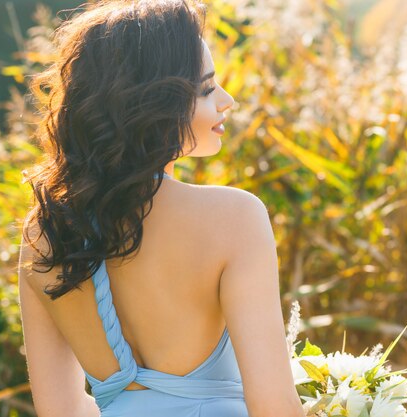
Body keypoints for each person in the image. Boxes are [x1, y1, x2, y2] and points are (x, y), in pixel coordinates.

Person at [17, 1, 305, 416]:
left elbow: (60, 410)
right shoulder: (234, 218)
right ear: (151, 103)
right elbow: (275, 406)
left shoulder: (41, 236)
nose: (227, 101)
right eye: (205, 89)